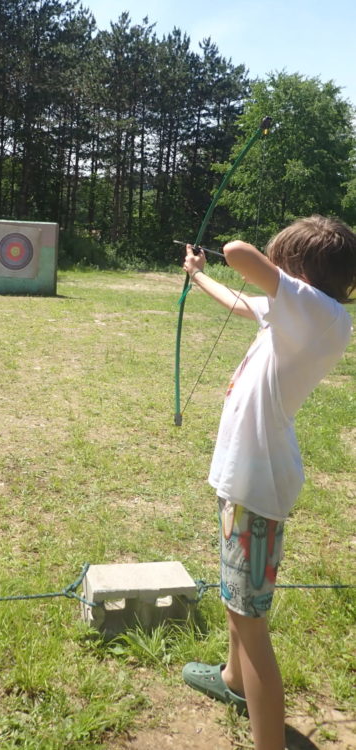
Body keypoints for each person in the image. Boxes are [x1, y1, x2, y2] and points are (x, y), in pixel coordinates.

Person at [180, 215, 356, 750]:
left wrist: (257, 259)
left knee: (250, 622)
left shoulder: (318, 312)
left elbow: (238, 252)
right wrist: (196, 275)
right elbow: (239, 300)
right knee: (239, 601)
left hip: (257, 488)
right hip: (246, 481)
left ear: (300, 269)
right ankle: (233, 680)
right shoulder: (292, 315)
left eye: (282, 262)